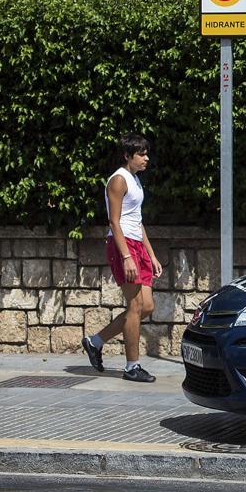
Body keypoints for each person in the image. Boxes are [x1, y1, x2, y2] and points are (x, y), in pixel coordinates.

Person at [81, 133, 161, 383]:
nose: (146, 158)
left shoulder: (136, 181)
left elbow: (137, 219)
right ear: (128, 156)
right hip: (122, 245)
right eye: (141, 154)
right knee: (135, 306)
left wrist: (151, 254)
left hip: (137, 244)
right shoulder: (118, 180)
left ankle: (95, 342)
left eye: (146, 153)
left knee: (146, 306)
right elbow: (114, 222)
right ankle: (132, 367)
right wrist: (126, 256)